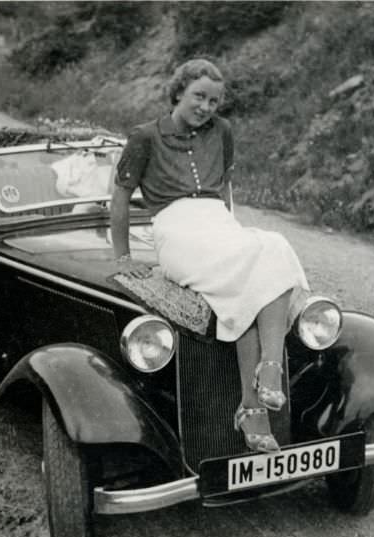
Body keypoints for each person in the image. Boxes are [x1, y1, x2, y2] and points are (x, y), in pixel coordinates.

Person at [110, 58, 309, 454]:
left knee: (274, 247)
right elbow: (118, 198)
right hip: (176, 230)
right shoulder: (145, 136)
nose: (205, 108)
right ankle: (255, 403)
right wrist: (123, 256)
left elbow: (226, 191)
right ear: (178, 92)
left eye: (214, 101)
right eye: (199, 97)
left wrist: (232, 233)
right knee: (252, 277)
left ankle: (266, 377)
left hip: (217, 225)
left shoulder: (223, 131)